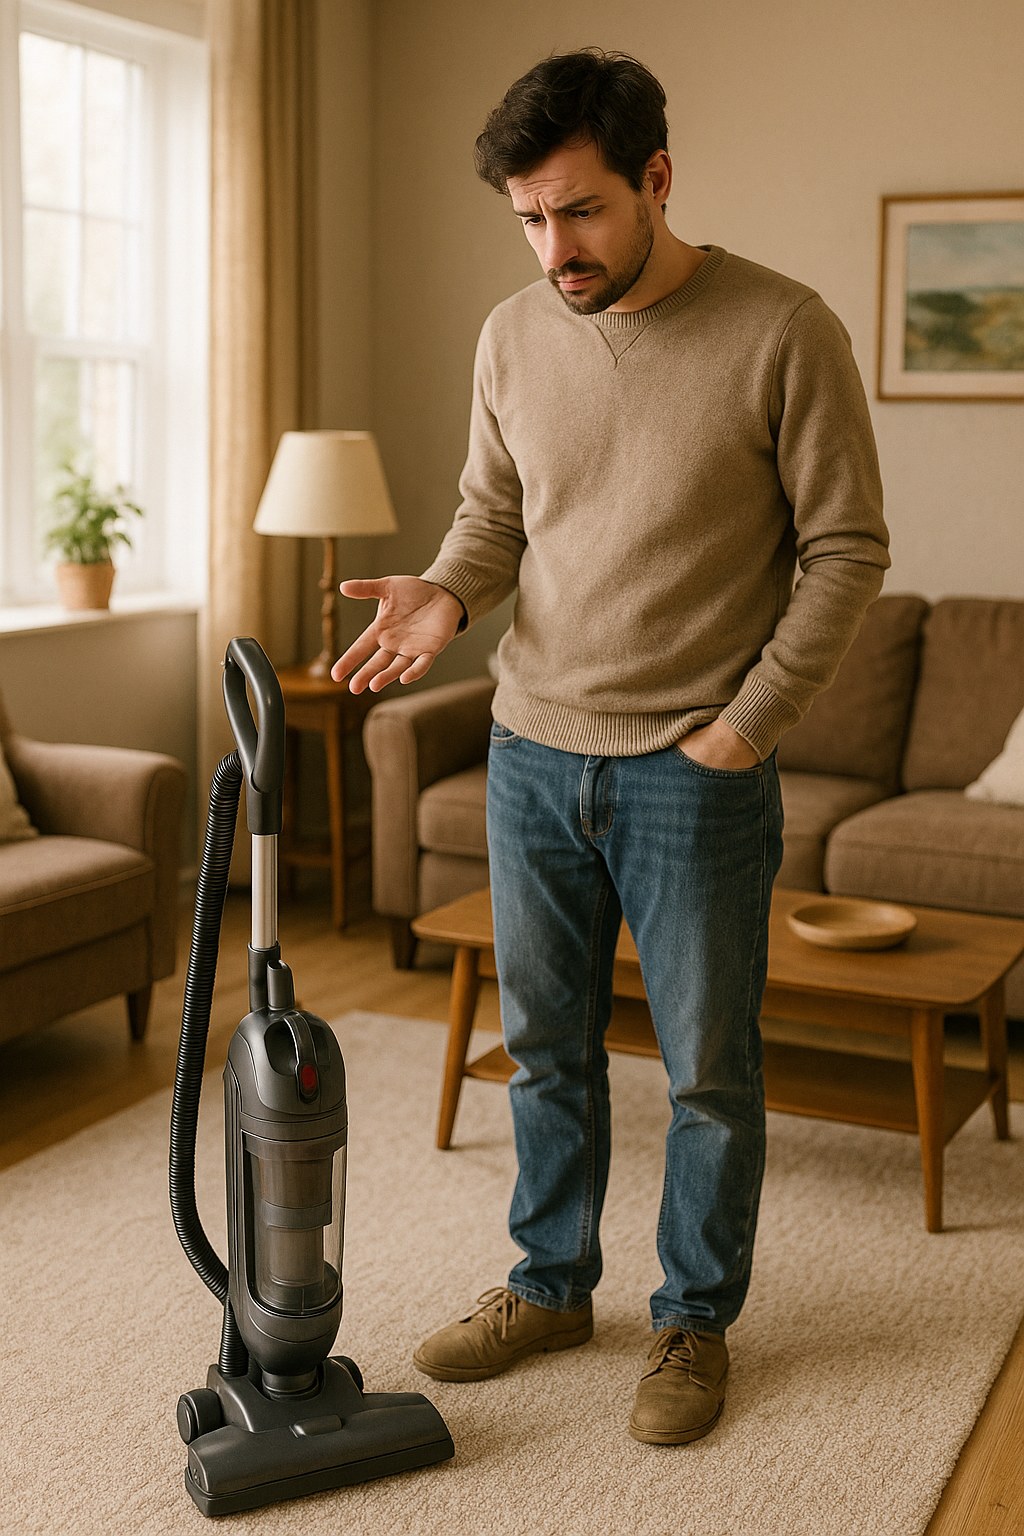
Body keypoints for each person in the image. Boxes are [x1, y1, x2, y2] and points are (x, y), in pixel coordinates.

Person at [332, 48, 889, 1445]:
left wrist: (750, 725)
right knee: (545, 1051)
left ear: (657, 180)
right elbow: (493, 518)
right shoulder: (511, 334)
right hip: (531, 751)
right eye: (529, 218)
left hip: (692, 773)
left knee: (708, 1072)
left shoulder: (784, 329)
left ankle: (693, 1320)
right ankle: (550, 1284)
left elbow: (846, 549)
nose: (553, 248)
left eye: (579, 210)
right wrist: (448, 594)